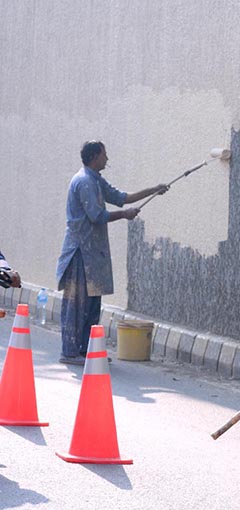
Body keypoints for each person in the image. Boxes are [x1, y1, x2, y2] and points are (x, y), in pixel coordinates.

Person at [56, 141, 168, 365]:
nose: (107, 158)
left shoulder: (95, 179)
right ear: (94, 156)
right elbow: (97, 216)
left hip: (92, 254)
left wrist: (153, 190)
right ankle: (70, 353)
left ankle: (86, 351)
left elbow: (120, 197)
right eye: (104, 154)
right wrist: (124, 215)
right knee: (77, 305)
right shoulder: (84, 181)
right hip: (80, 253)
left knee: (91, 306)